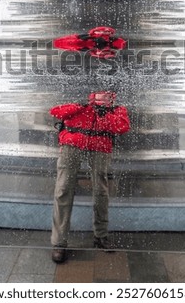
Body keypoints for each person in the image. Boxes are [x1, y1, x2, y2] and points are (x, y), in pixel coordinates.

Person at [49, 91, 130, 263]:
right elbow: (56, 111)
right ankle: (59, 243)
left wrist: (103, 112)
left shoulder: (113, 104)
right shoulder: (79, 87)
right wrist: (82, 104)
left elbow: (122, 126)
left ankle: (100, 236)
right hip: (71, 143)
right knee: (63, 189)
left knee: (101, 191)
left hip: (100, 145)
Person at [53, 26, 126, 59]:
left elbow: (97, 54)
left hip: (87, 42)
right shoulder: (104, 36)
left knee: (79, 42)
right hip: (87, 43)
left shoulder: (102, 36)